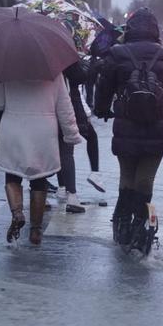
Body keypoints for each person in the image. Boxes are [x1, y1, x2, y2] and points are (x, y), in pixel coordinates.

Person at [94, 7, 163, 255]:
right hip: (160, 128)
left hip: (127, 126)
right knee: (146, 178)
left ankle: (122, 224)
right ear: (155, 30)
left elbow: (103, 89)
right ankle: (141, 225)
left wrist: (102, 110)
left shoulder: (117, 53)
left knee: (127, 175)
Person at [0, 72, 82, 245]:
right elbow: (64, 106)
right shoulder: (53, 72)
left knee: (12, 173)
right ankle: (36, 230)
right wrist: (71, 135)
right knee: (40, 178)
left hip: (13, 129)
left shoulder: (8, 70)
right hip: (43, 131)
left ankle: (17, 213)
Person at [55, 56, 105, 214]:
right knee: (65, 149)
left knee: (53, 148)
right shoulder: (61, 55)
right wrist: (83, 63)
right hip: (65, 104)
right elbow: (79, 77)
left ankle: (52, 189)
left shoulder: (29, 58)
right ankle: (71, 193)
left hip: (39, 110)